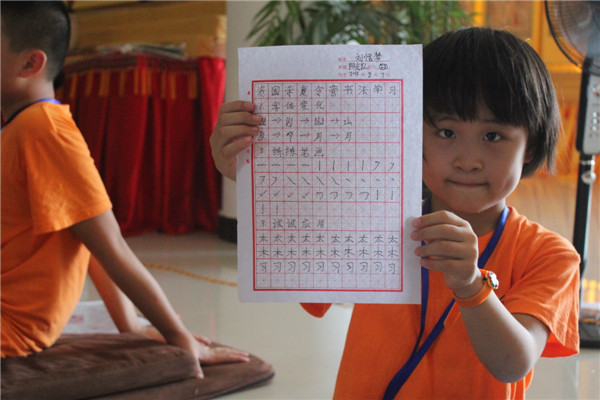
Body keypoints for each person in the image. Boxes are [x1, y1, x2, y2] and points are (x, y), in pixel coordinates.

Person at [210, 27, 580, 399]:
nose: (468, 160)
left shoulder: (549, 256)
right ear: (410, 131)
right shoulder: (375, 224)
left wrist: (471, 285)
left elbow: (513, 362)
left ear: (531, 145)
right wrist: (251, 172)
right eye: (446, 133)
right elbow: (298, 260)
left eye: (493, 136)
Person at [1, 1, 250, 377]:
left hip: (9, 330)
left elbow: (109, 245)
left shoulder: (43, 130)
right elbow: (84, 235)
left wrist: (178, 337)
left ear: (30, 63)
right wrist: (129, 325)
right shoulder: (19, 127)